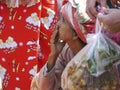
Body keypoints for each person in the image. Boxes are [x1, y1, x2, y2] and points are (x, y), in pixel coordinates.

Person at [30, 0, 93, 90]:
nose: (58, 24)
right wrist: (53, 55)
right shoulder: (66, 51)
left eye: (63, 20)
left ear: (75, 34)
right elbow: (44, 87)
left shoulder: (92, 59)